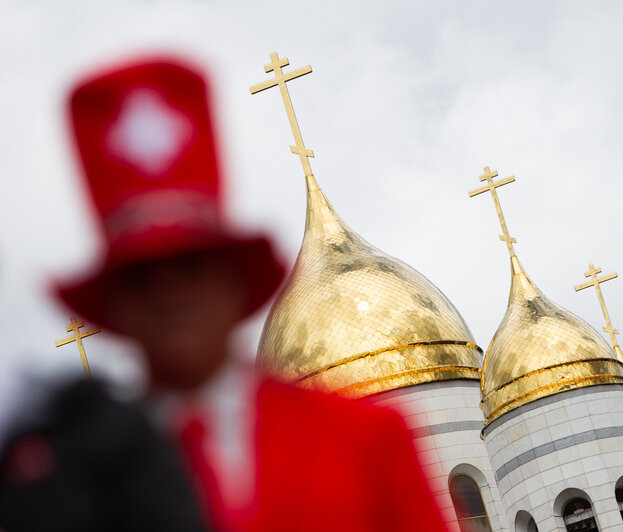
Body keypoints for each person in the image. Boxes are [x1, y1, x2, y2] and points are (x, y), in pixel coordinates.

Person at [51, 57, 448, 532]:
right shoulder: (88, 481)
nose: (170, 292)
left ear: (233, 279)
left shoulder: (364, 441)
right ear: (112, 303)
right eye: (141, 275)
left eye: (191, 264)